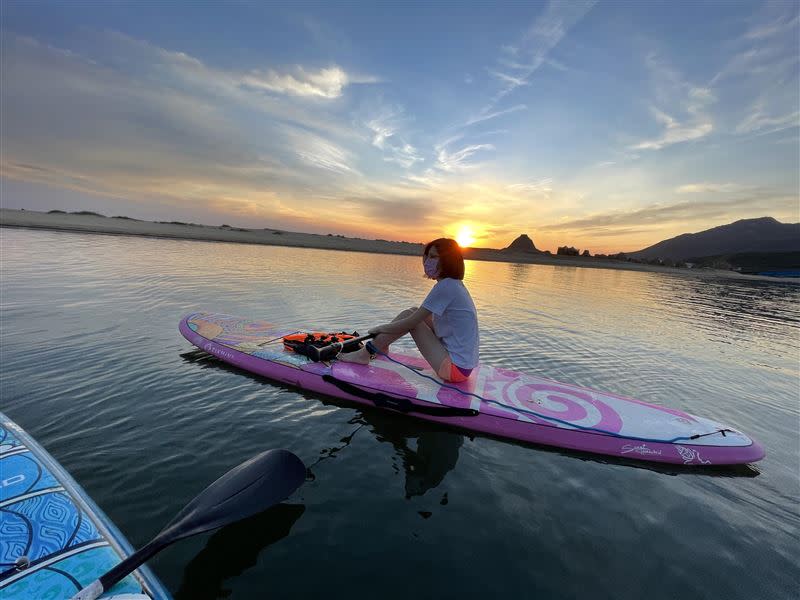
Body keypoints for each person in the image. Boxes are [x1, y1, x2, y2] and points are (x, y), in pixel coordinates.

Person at [339, 238, 479, 382]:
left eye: (432, 257)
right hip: (462, 366)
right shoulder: (453, 285)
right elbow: (418, 316)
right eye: (426, 256)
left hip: (454, 370)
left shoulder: (446, 287)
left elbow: (411, 322)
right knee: (413, 311)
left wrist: (380, 328)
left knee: (412, 320)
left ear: (447, 260)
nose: (426, 261)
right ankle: (381, 346)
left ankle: (364, 354)